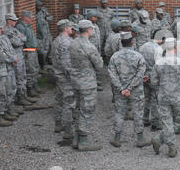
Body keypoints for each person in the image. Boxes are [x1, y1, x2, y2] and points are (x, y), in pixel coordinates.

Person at [150, 38, 180, 158]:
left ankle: (159, 139)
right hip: (178, 97)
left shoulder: (158, 63)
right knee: (178, 123)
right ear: (175, 48)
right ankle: (171, 147)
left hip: (163, 97)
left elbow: (153, 82)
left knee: (167, 122)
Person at [108, 32, 151, 148]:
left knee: (119, 112)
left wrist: (122, 89)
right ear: (132, 42)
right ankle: (140, 138)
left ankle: (117, 138)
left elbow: (112, 75)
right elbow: (140, 73)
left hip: (119, 91)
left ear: (121, 42)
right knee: (138, 112)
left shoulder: (114, 57)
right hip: (136, 90)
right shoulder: (138, 56)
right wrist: (130, 87)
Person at [69, 20, 104, 151]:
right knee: (87, 110)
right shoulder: (89, 46)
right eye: (92, 28)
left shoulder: (73, 43)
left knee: (78, 108)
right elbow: (99, 66)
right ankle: (83, 142)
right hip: (87, 82)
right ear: (89, 29)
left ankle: (76, 139)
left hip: (75, 80)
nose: (93, 30)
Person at [51, 20, 76, 145]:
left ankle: (58, 123)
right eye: (70, 27)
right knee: (69, 103)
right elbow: (67, 64)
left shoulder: (56, 40)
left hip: (58, 75)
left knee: (59, 100)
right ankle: (68, 130)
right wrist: (74, 76)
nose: (72, 28)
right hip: (66, 77)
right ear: (66, 28)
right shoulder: (66, 42)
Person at [3, 13, 36, 107]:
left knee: (23, 76)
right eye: (14, 20)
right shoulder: (6, 31)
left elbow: (25, 38)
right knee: (18, 77)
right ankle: (19, 98)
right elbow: (17, 42)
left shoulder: (14, 29)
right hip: (15, 56)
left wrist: (21, 39)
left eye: (16, 20)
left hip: (20, 55)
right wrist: (20, 38)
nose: (16, 22)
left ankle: (24, 95)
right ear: (8, 20)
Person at [139, 30, 165, 131]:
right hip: (154, 77)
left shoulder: (143, 46)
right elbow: (158, 66)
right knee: (155, 100)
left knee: (146, 98)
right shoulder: (158, 49)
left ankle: (145, 119)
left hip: (144, 75)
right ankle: (155, 123)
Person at [16, 11, 41, 99]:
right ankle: (30, 89)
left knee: (35, 68)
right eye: (30, 17)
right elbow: (22, 40)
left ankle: (34, 85)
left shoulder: (28, 26)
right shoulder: (20, 27)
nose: (31, 19)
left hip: (32, 50)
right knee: (30, 70)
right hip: (27, 52)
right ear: (25, 18)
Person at [36, 0, 53, 72]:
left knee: (50, 46)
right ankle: (43, 65)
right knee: (43, 50)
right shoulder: (35, 14)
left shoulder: (43, 11)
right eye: (38, 6)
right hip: (41, 35)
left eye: (40, 5)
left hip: (47, 33)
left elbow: (51, 18)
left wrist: (47, 18)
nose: (40, 7)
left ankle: (48, 60)